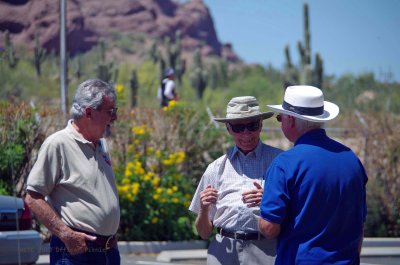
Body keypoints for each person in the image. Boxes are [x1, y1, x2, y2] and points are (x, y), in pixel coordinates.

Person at [258, 85, 368, 264]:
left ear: (291, 120)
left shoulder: (285, 163)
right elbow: (359, 226)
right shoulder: (351, 160)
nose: (281, 123)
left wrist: (262, 213)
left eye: (280, 118)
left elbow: (270, 228)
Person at [25, 79, 121, 265]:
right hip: (76, 253)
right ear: (88, 112)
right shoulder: (58, 144)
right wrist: (66, 234)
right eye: (110, 112)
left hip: (108, 252)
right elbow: (33, 197)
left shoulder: (101, 144)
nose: (114, 118)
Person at [189, 96, 283, 265]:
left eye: (252, 125)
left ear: (261, 124)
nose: (246, 133)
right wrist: (203, 208)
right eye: (239, 127)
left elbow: (297, 212)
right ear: (228, 128)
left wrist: (270, 201)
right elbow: (203, 233)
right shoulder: (215, 168)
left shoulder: (280, 162)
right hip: (223, 250)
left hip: (266, 250)